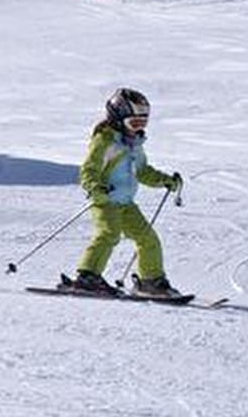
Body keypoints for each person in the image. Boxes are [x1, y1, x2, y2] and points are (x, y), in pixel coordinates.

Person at [69, 88, 183, 298]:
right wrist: (95, 187)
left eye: (143, 123)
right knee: (109, 234)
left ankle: (150, 281)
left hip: (126, 203)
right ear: (118, 118)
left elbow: (142, 172)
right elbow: (89, 170)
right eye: (134, 123)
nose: (138, 128)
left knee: (148, 238)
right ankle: (87, 277)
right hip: (105, 200)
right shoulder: (105, 141)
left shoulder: (135, 145)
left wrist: (165, 180)